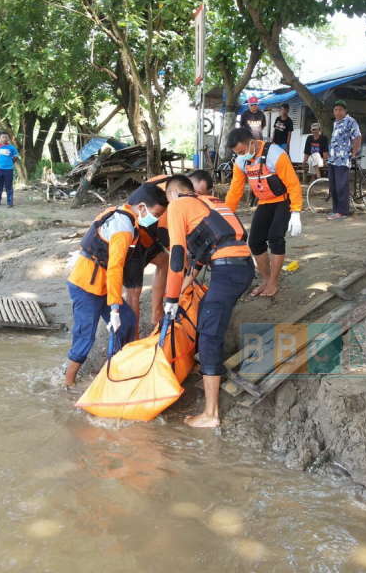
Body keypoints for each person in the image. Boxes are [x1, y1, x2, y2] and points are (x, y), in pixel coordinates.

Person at [162, 174, 254, 427]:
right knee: (210, 316)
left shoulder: (177, 205)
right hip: (242, 267)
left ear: (172, 194)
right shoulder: (210, 202)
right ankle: (205, 369)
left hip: (228, 271)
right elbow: (205, 252)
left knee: (209, 333)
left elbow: (178, 254)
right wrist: (183, 288)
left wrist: (170, 297)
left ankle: (211, 414)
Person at [63, 183, 168, 386]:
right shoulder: (123, 228)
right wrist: (114, 308)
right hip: (86, 286)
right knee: (85, 335)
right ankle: (68, 382)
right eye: (155, 214)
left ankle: (119, 365)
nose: (155, 219)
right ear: (142, 207)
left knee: (127, 321)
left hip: (101, 286)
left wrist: (117, 310)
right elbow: (115, 268)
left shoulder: (125, 216)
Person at [225, 127, 303, 297]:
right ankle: (266, 280)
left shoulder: (275, 154)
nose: (241, 155)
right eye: (237, 153)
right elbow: (235, 190)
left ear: (252, 142)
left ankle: (274, 283)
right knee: (254, 242)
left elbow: (293, 184)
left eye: (243, 151)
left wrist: (296, 211)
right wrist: (226, 214)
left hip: (283, 200)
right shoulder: (240, 161)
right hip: (264, 202)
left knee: (275, 238)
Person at [123, 175, 171, 337]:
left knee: (164, 260)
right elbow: (168, 239)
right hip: (134, 239)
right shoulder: (161, 193)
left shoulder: (171, 191)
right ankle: (133, 339)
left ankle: (157, 313)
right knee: (134, 293)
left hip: (148, 236)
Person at [326, 99, 362, 220]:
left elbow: (357, 137)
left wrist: (354, 153)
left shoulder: (350, 121)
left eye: (340, 109)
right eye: (335, 110)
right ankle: (336, 210)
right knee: (333, 186)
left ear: (345, 111)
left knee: (341, 186)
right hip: (333, 159)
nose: (337, 112)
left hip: (343, 159)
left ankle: (343, 211)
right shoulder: (336, 122)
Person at [0, 132, 19, 207]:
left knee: (9, 186)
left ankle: (10, 202)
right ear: (0, 138)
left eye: (6, 137)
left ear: (8, 138)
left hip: (9, 169)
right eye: (3, 137)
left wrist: (10, 163)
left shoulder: (12, 147)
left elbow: (16, 156)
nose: (4, 138)